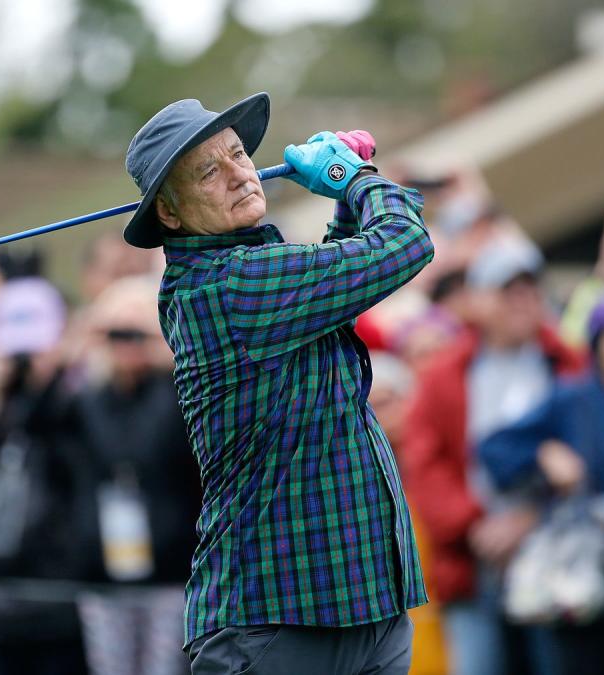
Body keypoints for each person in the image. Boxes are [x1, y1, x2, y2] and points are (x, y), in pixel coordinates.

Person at [123, 92, 434, 674]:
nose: (240, 174)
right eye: (209, 171)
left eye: (239, 154)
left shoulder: (262, 274)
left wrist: (346, 206)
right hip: (273, 623)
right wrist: (354, 177)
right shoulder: (225, 286)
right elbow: (405, 244)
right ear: (169, 212)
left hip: (367, 604)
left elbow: (341, 282)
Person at [403, 236, 585, 675]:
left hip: (557, 551)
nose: (523, 301)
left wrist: (526, 522)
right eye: (508, 291)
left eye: (530, 288)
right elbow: (425, 462)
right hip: (473, 558)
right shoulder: (446, 374)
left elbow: (588, 453)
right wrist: (475, 525)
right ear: (480, 299)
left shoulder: (566, 363)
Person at [479, 284, 604, 675]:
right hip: (584, 589)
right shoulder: (573, 400)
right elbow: (494, 448)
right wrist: (542, 453)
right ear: (598, 343)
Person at [69, 275, 199, 675]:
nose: (126, 346)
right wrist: (80, 344)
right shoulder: (88, 400)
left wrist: (166, 357)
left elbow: (148, 449)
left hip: (168, 569)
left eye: (135, 334)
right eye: (116, 335)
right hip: (105, 572)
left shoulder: (179, 394)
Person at [0, 274, 91, 675]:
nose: (24, 360)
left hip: (56, 592)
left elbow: (70, 461)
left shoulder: (74, 401)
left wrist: (48, 382)